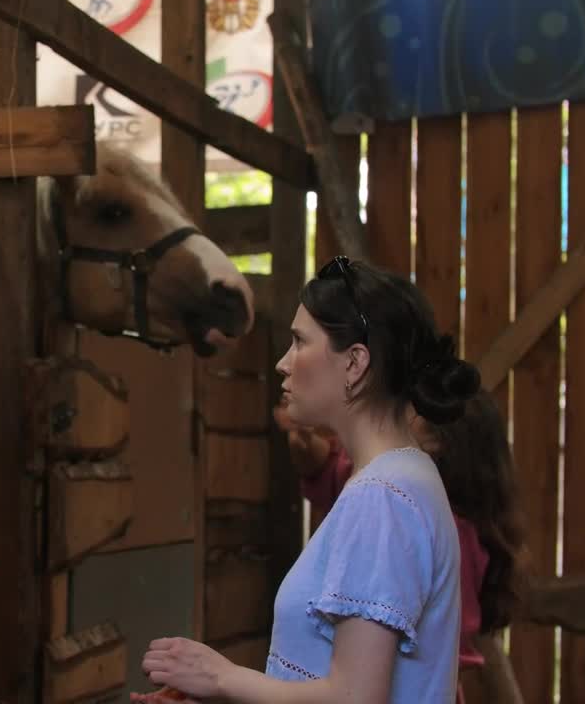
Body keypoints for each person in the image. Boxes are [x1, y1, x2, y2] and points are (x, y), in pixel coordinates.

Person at [136, 256, 480, 703]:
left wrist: (221, 677)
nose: (283, 362)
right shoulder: (406, 477)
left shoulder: (383, 497)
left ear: (355, 363)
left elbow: (356, 698)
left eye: (300, 342)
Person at [276, 384, 526, 703]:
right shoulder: (405, 496)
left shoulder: (439, 530)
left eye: (404, 415)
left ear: (438, 443)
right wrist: (312, 451)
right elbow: (344, 474)